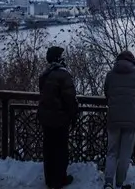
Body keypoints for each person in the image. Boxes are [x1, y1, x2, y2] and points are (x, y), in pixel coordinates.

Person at [103, 50, 135, 189]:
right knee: (125, 155)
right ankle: (120, 183)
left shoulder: (110, 75)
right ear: (132, 62)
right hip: (131, 119)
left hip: (113, 117)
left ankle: (108, 182)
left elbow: (106, 93)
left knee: (111, 152)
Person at [38, 46, 78, 189]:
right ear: (58, 58)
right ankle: (60, 179)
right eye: (61, 56)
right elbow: (70, 98)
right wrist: (73, 114)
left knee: (48, 148)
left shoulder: (45, 74)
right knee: (60, 148)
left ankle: (49, 179)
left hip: (45, 117)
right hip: (60, 118)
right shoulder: (63, 75)